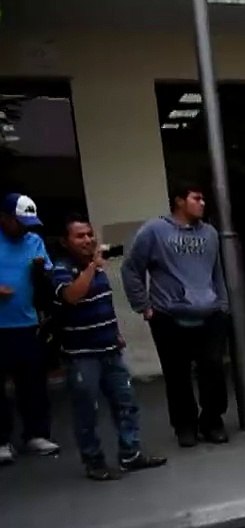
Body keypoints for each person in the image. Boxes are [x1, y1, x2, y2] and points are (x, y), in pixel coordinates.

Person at [50, 215, 166, 480]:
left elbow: (103, 303)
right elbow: (71, 296)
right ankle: (94, 462)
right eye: (80, 236)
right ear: (65, 242)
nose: (88, 240)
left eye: (90, 234)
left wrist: (115, 333)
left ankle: (130, 454)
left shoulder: (97, 269)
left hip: (109, 349)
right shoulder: (61, 269)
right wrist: (92, 266)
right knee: (87, 412)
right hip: (82, 356)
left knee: (126, 404)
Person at [122, 181, 230, 447]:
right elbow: (131, 269)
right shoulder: (154, 231)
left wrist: (223, 304)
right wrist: (143, 306)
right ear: (180, 201)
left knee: (213, 370)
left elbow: (216, 272)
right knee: (177, 374)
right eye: (197, 198)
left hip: (210, 312)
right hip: (168, 315)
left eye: (203, 198)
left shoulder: (210, 234)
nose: (202, 203)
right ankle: (185, 426)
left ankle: (212, 421)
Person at [0, 193, 59, 463]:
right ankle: (1, 441)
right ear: (4, 218)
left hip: (28, 323)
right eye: (19, 222)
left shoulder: (34, 241)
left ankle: (36, 434)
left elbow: (47, 274)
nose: (24, 227)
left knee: (33, 383)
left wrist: (41, 272)